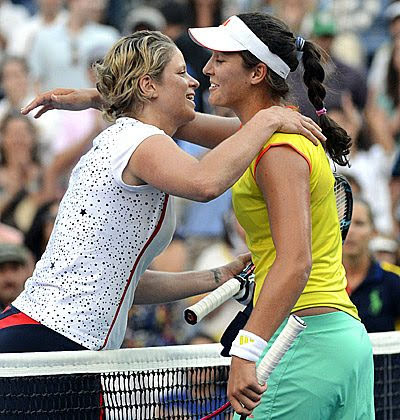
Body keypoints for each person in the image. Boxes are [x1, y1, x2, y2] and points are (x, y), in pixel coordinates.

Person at [2, 30, 324, 355]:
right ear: (148, 86)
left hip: (59, 341)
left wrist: (215, 276)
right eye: (181, 73)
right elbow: (205, 183)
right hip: (45, 340)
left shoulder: (133, 136)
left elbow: (124, 280)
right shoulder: (138, 140)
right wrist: (268, 118)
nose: (195, 81)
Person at [185, 12, 372, 418]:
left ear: (256, 73)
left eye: (220, 58)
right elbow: (182, 123)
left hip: (301, 340)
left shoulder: (278, 150)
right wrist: (101, 98)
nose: (207, 68)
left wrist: (246, 350)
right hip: (339, 341)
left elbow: (295, 262)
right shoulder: (267, 135)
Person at [343, 197, 400, 333]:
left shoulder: (393, 280)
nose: (350, 231)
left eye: (359, 223)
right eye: (345, 223)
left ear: (374, 232)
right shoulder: (322, 280)